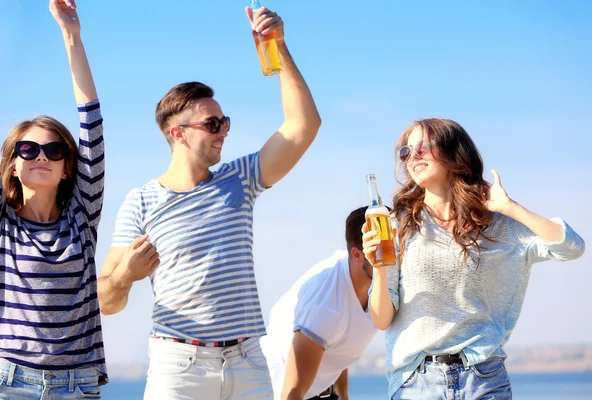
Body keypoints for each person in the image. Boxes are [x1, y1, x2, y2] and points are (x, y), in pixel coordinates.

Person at [97, 5, 321, 400]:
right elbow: (107, 301)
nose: (224, 132)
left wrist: (278, 48)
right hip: (179, 367)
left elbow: (304, 125)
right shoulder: (141, 202)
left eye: (225, 122)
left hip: (249, 360)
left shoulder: (242, 178)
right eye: (212, 124)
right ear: (178, 133)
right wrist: (124, 276)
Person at [363, 118, 585, 399]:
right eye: (406, 152)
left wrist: (511, 208)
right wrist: (379, 269)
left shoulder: (497, 225)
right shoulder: (397, 224)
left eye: (424, 147)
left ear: (453, 151)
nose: (413, 156)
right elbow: (381, 319)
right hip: (417, 384)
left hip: (484, 379)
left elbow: (571, 247)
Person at [0, 0, 107, 398]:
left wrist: (71, 37)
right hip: (9, 383)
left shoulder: (81, 215)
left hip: (78, 386)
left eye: (54, 151)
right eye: (27, 150)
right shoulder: (5, 224)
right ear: (12, 165)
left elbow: (91, 122)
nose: (41, 156)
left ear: (68, 168)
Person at [261, 206, 380, 400]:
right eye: (381, 249)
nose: (394, 255)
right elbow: (291, 393)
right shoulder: (325, 306)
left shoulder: (378, 287)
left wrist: (344, 397)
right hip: (278, 392)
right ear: (358, 255)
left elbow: (339, 347)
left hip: (322, 392)